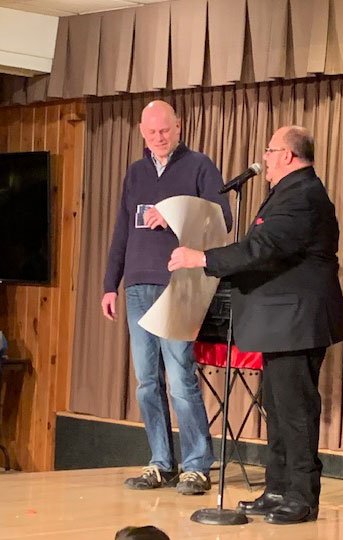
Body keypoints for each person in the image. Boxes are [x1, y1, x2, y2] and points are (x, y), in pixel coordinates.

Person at [168, 126, 343, 523]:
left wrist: (203, 259)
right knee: (278, 408)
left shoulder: (302, 195)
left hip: (296, 319)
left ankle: (301, 497)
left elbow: (264, 248)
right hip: (281, 320)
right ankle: (278, 488)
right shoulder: (290, 190)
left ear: (287, 154)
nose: (264, 158)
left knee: (295, 409)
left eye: (269, 150)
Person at [102, 100, 232, 495]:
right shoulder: (136, 172)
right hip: (138, 285)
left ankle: (196, 465)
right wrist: (111, 284)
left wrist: (174, 215)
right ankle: (161, 461)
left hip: (180, 284)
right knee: (146, 381)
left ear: (179, 127)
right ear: (142, 131)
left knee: (179, 377)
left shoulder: (199, 166)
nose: (159, 137)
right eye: (152, 131)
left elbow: (221, 218)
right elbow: (122, 230)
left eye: (166, 130)